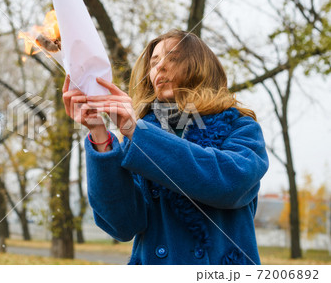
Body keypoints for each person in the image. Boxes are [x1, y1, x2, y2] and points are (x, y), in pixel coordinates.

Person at [62, 29, 269, 265]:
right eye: (154, 61)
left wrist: (136, 132)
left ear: (201, 67)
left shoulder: (241, 126)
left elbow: (230, 183)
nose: (160, 67)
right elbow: (123, 225)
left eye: (172, 57)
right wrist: (98, 132)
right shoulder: (140, 137)